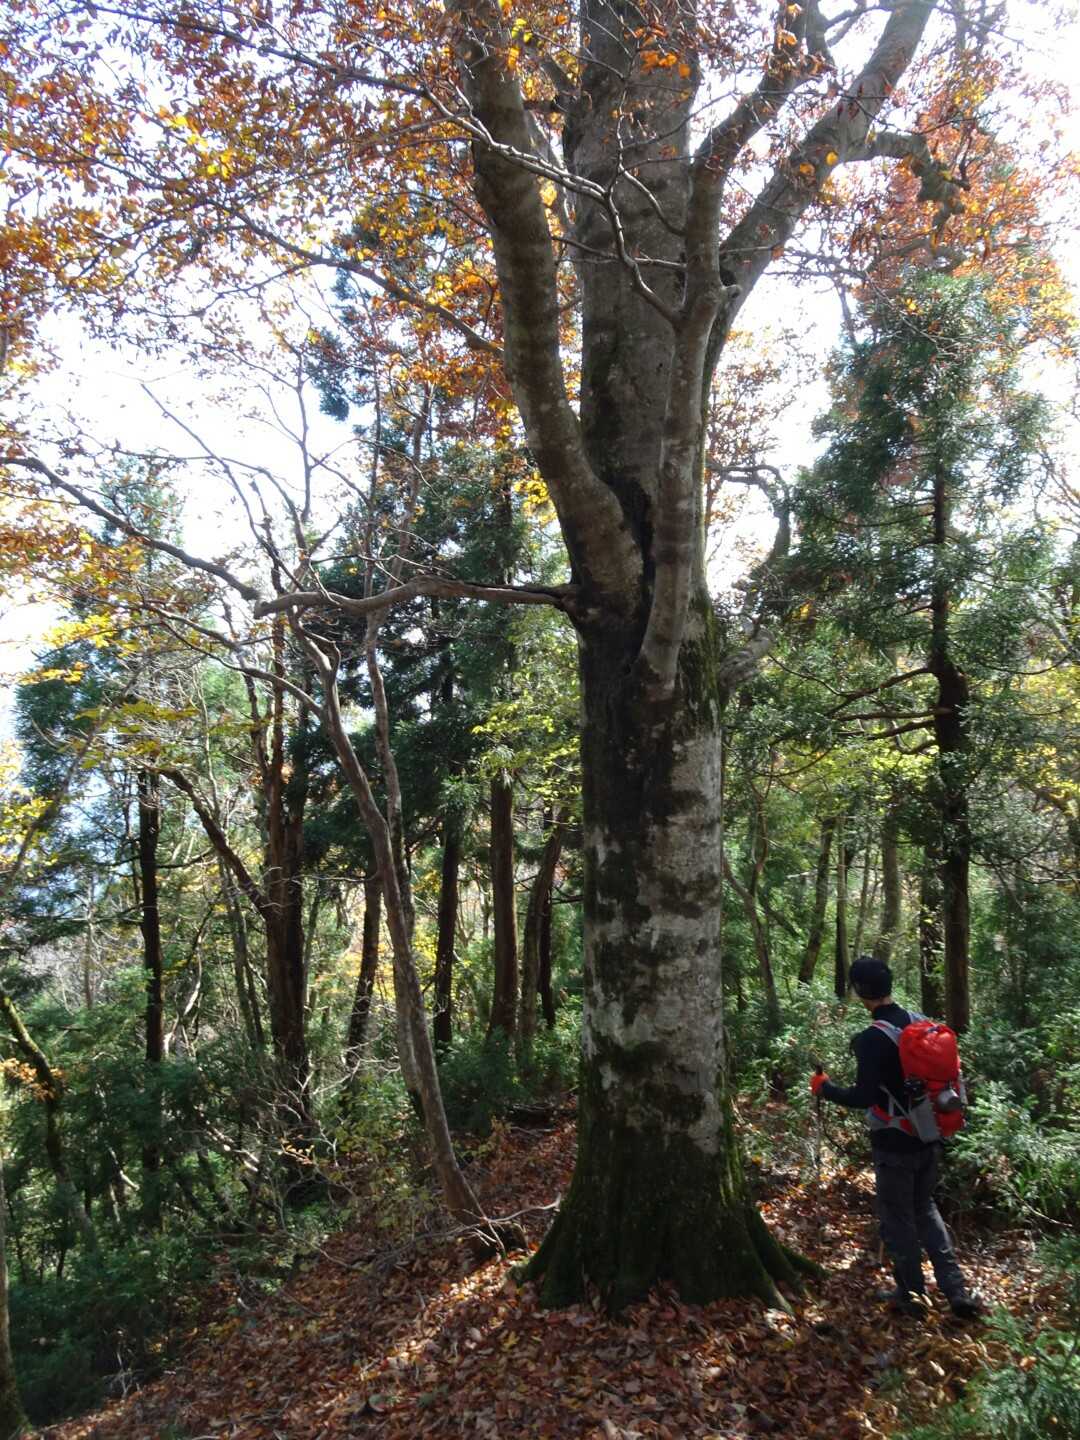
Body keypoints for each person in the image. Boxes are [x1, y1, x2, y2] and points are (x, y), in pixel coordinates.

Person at [810, 956, 982, 1319]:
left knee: (898, 1220)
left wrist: (825, 1088)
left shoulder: (872, 1039)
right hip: (930, 1134)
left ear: (860, 991)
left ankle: (912, 1296)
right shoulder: (920, 1022)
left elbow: (863, 1097)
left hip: (893, 1144)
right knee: (925, 1210)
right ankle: (956, 1291)